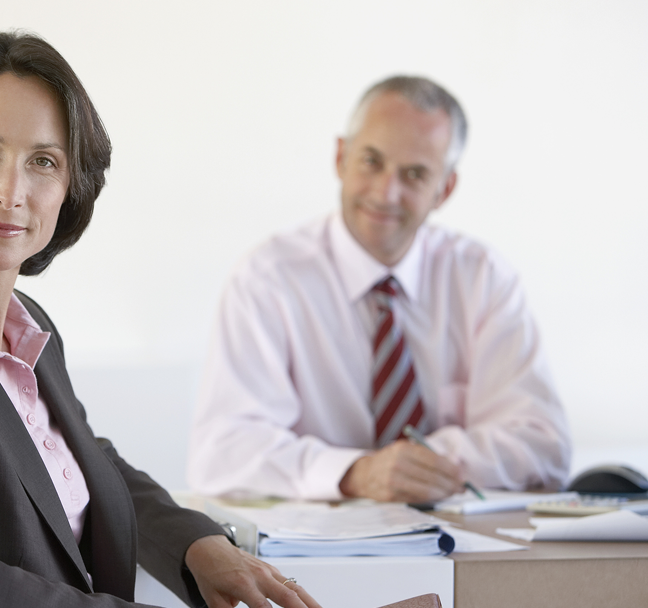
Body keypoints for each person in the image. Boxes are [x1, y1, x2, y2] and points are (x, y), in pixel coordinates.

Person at [0, 32, 322, 608]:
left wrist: (198, 543)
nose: (11, 192)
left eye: (43, 162)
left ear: (69, 188)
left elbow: (76, 456)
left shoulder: (26, 324)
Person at [187, 76, 571, 504]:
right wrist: (353, 473)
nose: (387, 192)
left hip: (462, 546)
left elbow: (544, 446)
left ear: (444, 189)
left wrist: (418, 464)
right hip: (311, 554)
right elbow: (221, 453)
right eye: (371, 161)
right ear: (340, 158)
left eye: (414, 174)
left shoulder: (483, 277)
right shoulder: (268, 279)